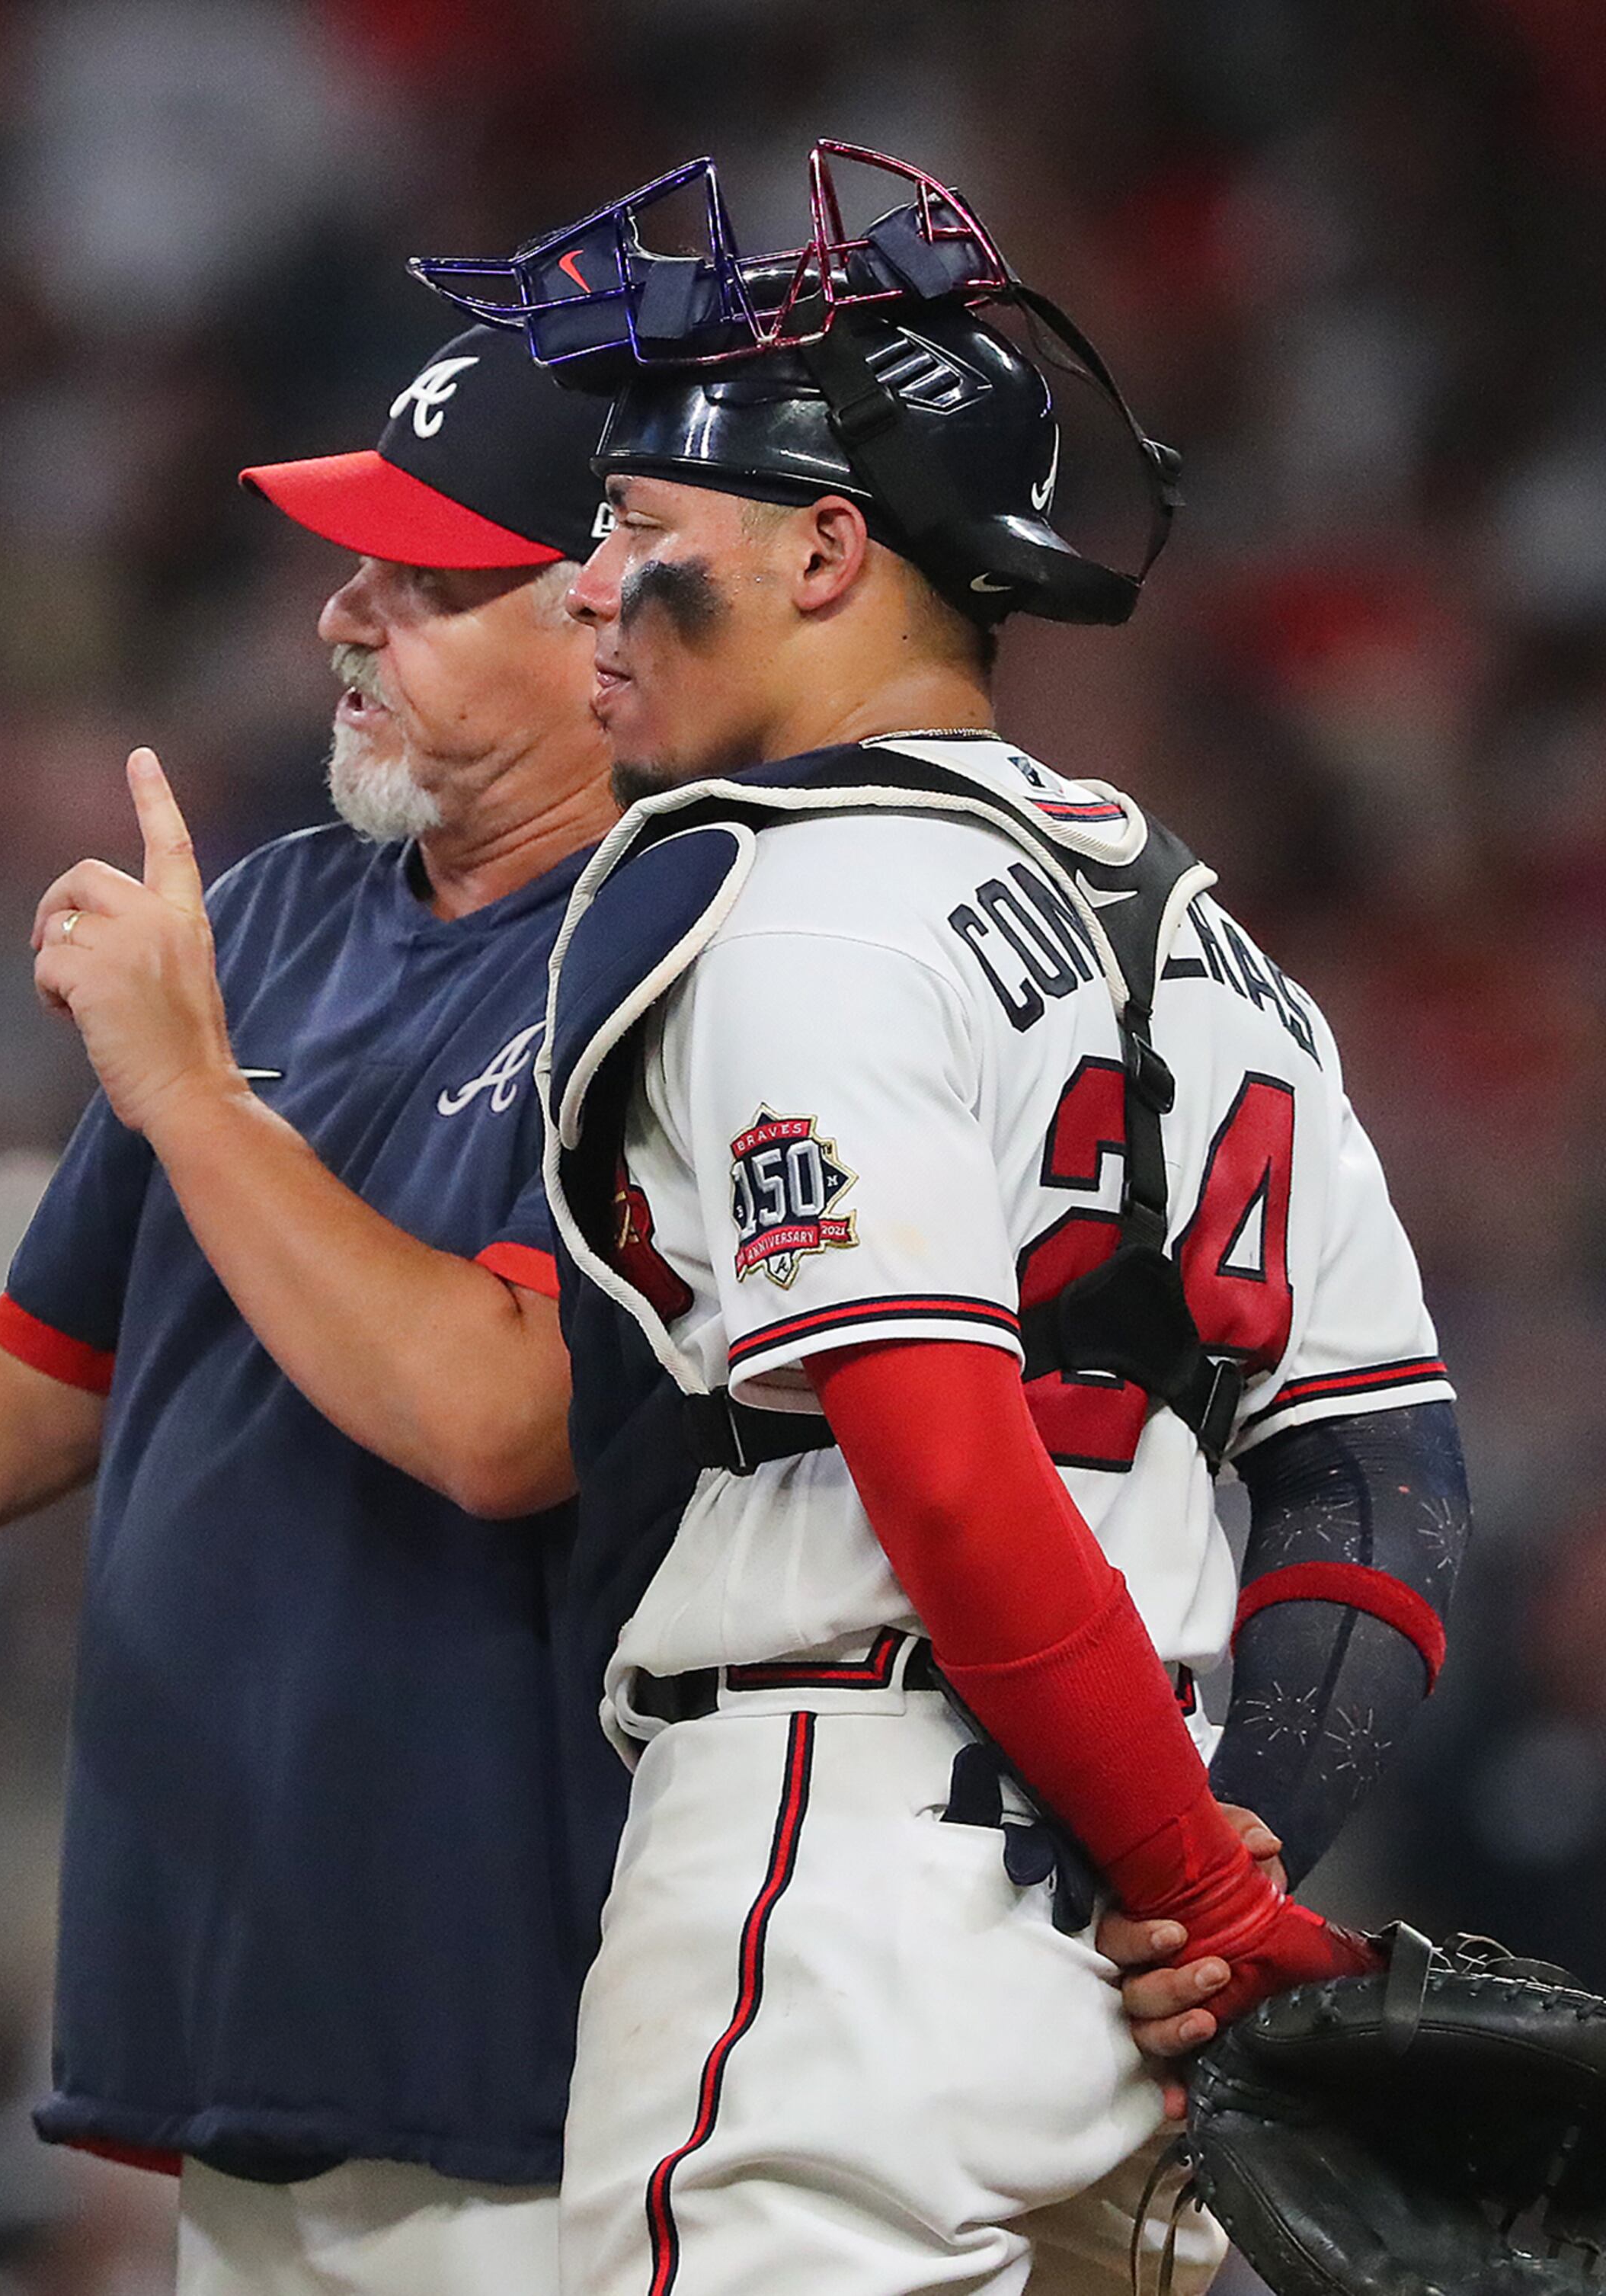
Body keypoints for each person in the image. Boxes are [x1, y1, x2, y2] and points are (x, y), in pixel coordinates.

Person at [413, 146, 1468, 2293]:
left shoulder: (802, 903)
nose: (586, 586)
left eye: (635, 530)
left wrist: (1210, 1888)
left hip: (852, 1862)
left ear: (826, 551)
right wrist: (1230, 1852)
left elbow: (946, 1467)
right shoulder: (1210, 940)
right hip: (1127, 1907)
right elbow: (1381, 1472)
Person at [0, 331, 680, 2294]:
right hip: (239, 2013)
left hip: (515, 2039)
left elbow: (502, 1418)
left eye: (426, 582)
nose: (346, 616)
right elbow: (19, 1390)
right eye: (351, 564)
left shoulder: (670, 935)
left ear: (606, 626)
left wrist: (183, 1090)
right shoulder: (288, 914)